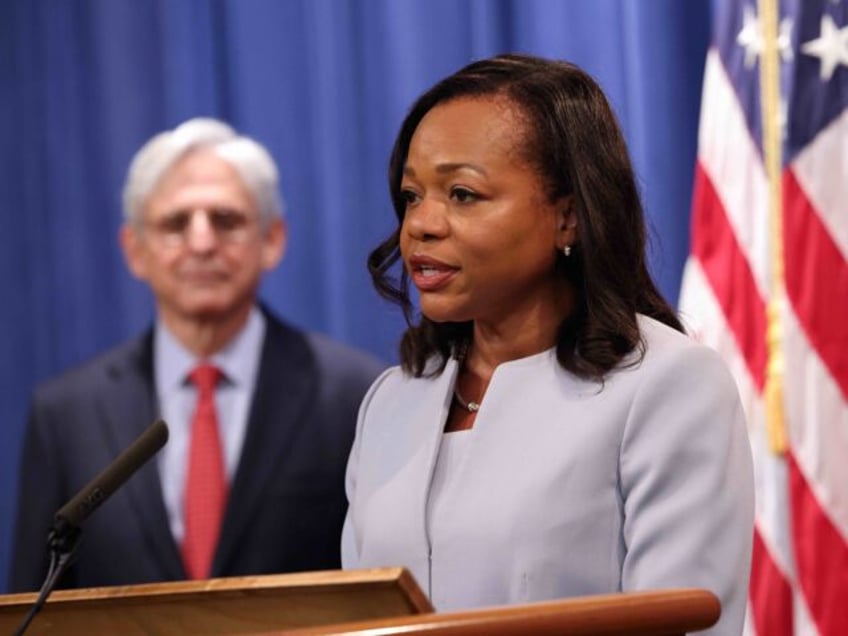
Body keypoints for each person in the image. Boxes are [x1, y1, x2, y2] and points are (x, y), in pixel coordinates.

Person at [341, 54, 754, 634]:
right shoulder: (391, 400)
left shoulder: (667, 385)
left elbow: (685, 621)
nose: (421, 225)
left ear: (568, 218)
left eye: (462, 194)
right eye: (412, 195)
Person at [10, 118, 384, 591]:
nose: (202, 242)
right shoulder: (65, 413)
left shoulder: (352, 393)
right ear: (135, 250)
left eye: (226, 221)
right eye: (174, 224)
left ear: (272, 240)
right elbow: (32, 606)